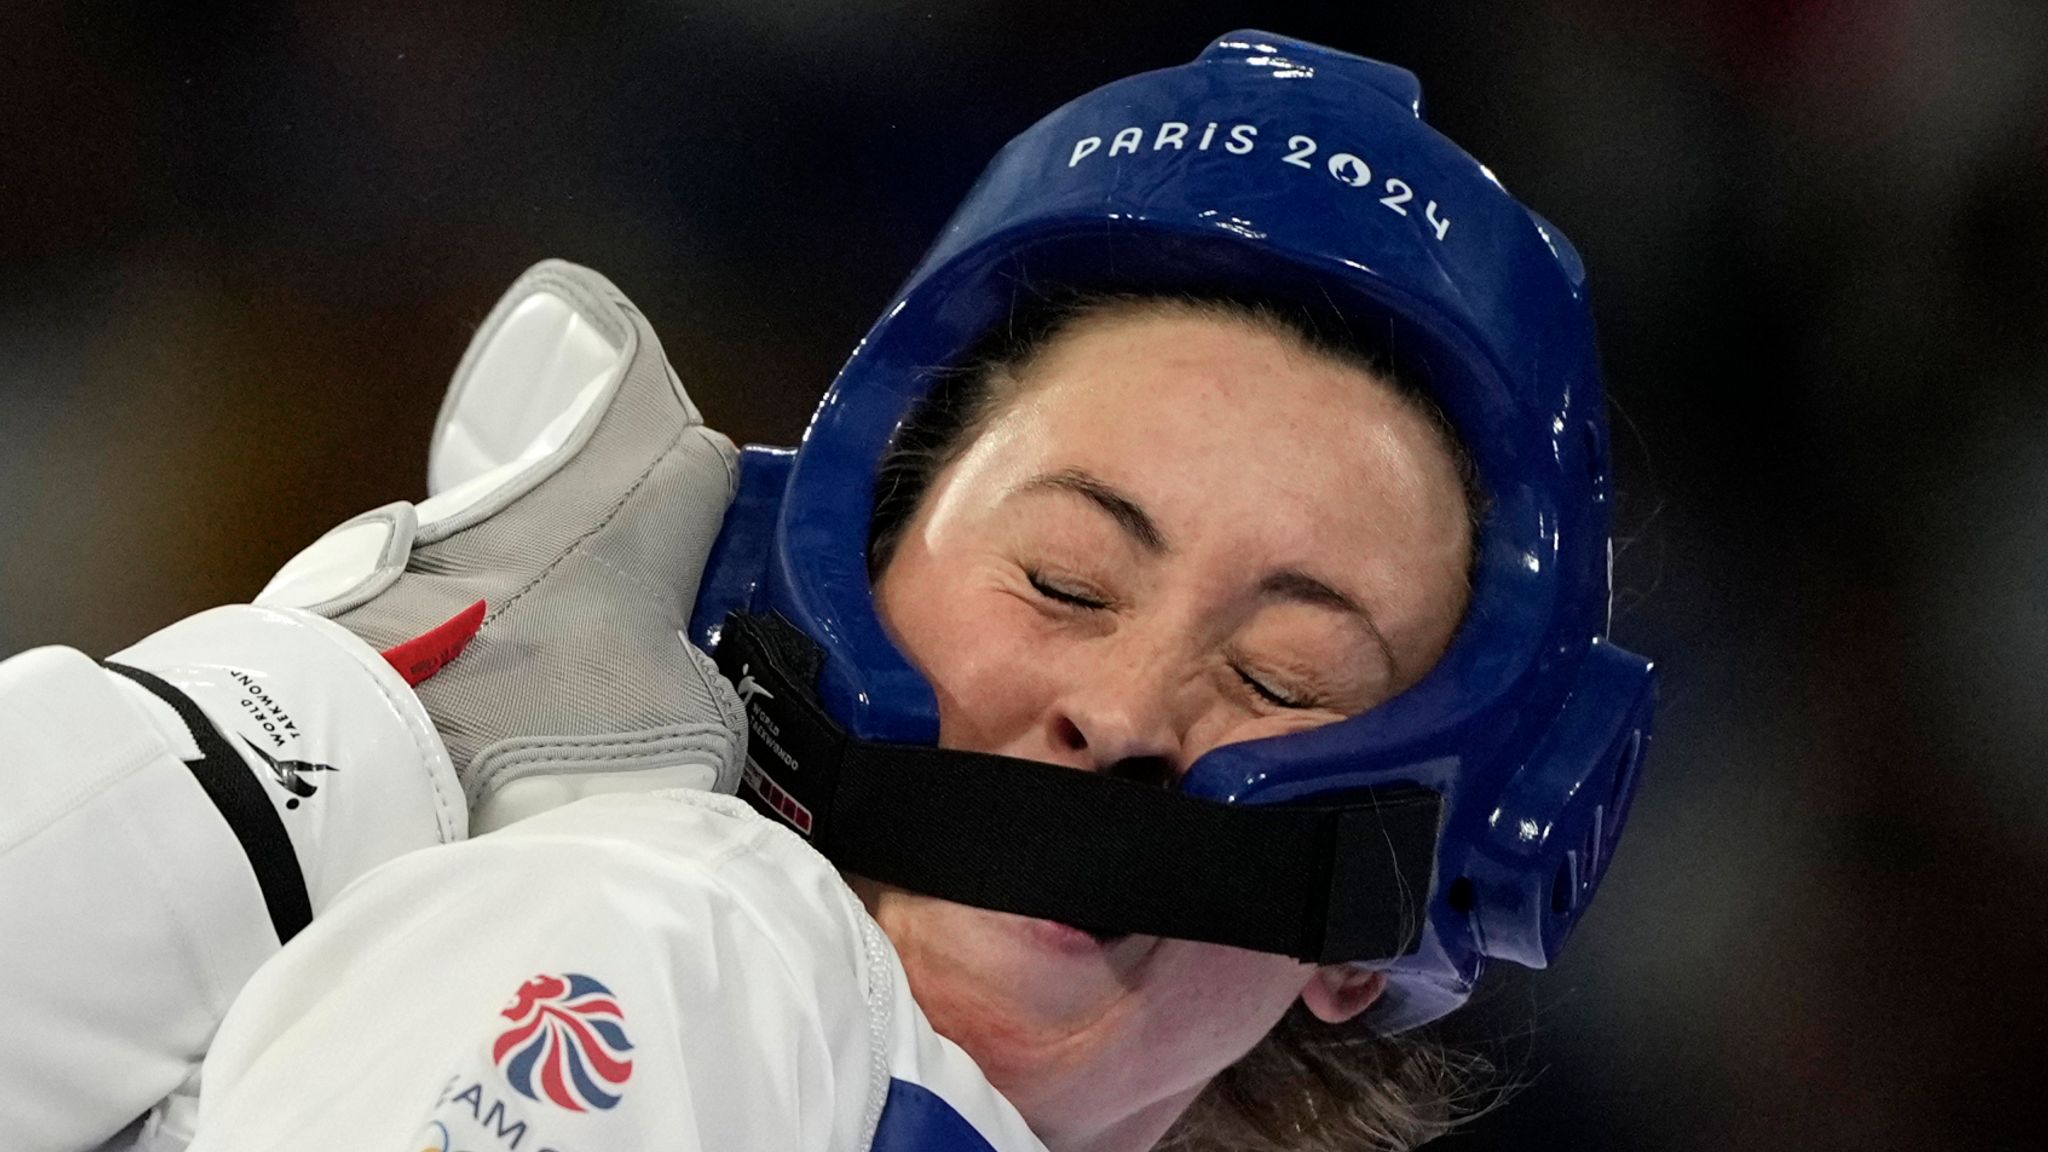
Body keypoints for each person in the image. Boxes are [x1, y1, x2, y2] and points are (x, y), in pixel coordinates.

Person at [0, 30, 1655, 1152]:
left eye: (1289, 675)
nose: (1124, 712)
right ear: (843, 577)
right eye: (1066, 578)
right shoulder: (704, 951)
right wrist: (312, 748)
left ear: (1413, 892)